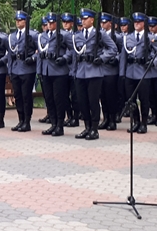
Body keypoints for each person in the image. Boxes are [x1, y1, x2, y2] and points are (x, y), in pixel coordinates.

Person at [73, 8, 117, 140]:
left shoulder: (100, 34)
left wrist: (102, 58)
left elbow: (113, 49)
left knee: (93, 101)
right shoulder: (78, 35)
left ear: (92, 20)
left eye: (86, 19)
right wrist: (74, 72)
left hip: (94, 72)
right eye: (82, 19)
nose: (83, 21)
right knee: (82, 101)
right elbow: (76, 55)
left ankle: (94, 129)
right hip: (81, 72)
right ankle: (86, 127)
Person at [38, 13, 69, 137]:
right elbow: (41, 54)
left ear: (57, 23)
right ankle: (53, 123)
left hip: (59, 71)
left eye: (52, 23)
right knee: (49, 99)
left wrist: (64, 58)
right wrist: (39, 71)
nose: (49, 25)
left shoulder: (64, 35)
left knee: (58, 99)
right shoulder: (43, 36)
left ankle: (60, 125)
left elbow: (72, 50)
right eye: (48, 23)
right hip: (46, 70)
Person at [7, 10, 37, 132]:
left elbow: (39, 50)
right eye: (17, 20)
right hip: (15, 68)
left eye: (20, 20)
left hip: (27, 69)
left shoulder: (33, 35)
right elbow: (10, 54)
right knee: (18, 96)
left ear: (26, 21)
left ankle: (27, 121)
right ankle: (20, 120)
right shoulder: (12, 36)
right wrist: (10, 70)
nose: (18, 22)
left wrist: (33, 58)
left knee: (26, 96)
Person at [122, 13, 152, 134]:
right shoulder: (128, 38)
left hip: (143, 72)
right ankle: (136, 122)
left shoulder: (149, 37)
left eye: (139, 22)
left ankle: (144, 123)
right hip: (130, 72)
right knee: (131, 99)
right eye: (135, 22)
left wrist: (151, 61)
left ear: (144, 23)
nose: (136, 24)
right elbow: (123, 57)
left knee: (144, 99)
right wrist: (122, 73)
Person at [98, 13, 119, 131]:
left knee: (111, 96)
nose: (102, 24)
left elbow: (122, 52)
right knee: (103, 97)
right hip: (101, 69)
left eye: (104, 22)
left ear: (110, 23)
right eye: (101, 22)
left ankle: (112, 120)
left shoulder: (117, 37)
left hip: (111, 70)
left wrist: (116, 59)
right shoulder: (99, 35)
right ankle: (105, 118)